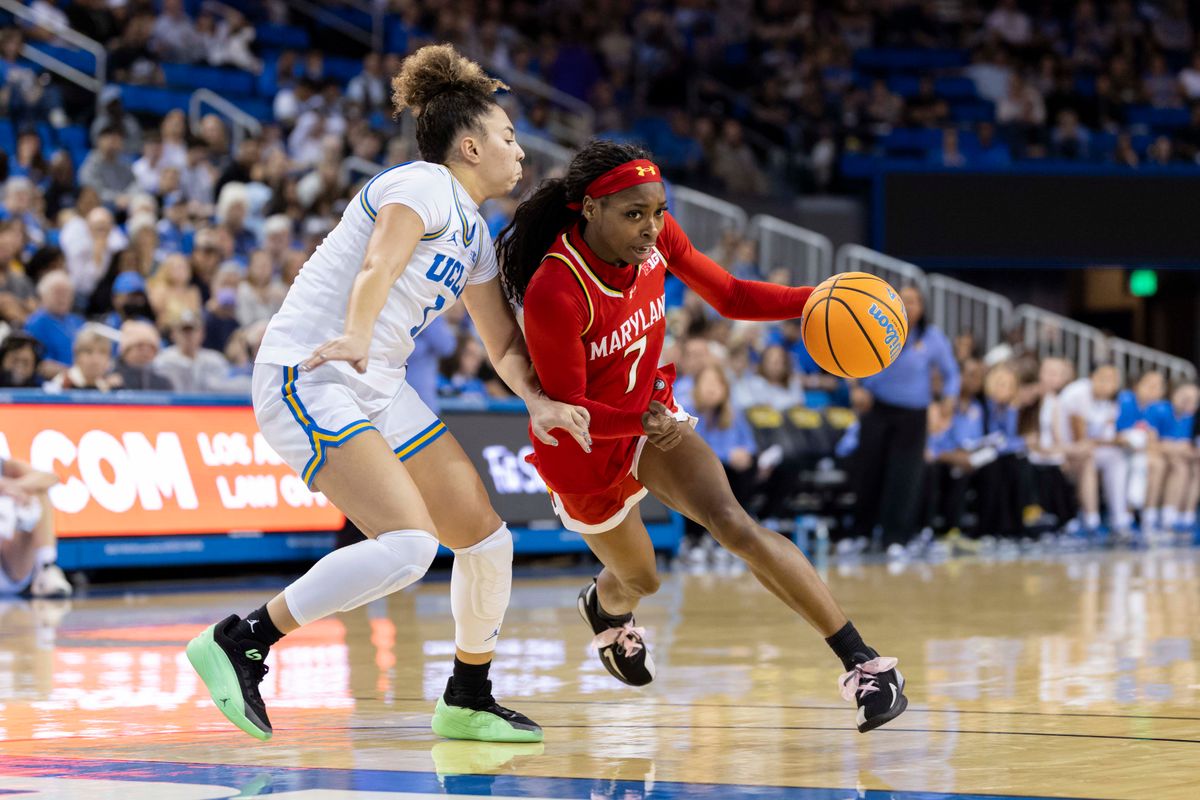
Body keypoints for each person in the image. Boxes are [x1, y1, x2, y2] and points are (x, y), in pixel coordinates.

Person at [184, 44, 589, 746]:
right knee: (408, 547)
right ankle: (242, 640)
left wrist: (539, 401)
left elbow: (500, 344)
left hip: (376, 382)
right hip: (309, 372)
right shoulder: (424, 185)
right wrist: (358, 332)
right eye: (508, 136)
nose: (519, 150)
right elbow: (381, 261)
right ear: (469, 146)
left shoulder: (476, 235)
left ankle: (467, 696)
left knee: (489, 542)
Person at [498, 140, 907, 733]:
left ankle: (864, 664)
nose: (651, 227)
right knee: (642, 579)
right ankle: (605, 606)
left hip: (650, 419)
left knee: (733, 523)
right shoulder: (556, 291)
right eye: (634, 214)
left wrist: (815, 301)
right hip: (585, 449)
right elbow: (569, 408)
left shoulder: (658, 241)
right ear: (590, 208)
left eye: (658, 211)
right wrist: (638, 422)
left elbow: (732, 294)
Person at [852, 286, 959, 556]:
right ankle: (861, 534)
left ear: (923, 307)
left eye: (914, 301)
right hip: (877, 409)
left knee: (905, 477)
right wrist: (856, 388)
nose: (909, 306)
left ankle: (895, 538)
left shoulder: (932, 337)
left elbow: (952, 374)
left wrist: (948, 400)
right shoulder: (875, 328)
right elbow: (849, 357)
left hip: (913, 414)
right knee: (869, 472)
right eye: (904, 301)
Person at [0, 454, 72, 598]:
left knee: (37, 490)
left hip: (11, 565)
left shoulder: (6, 466)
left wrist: (14, 487)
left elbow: (51, 478)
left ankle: (47, 567)